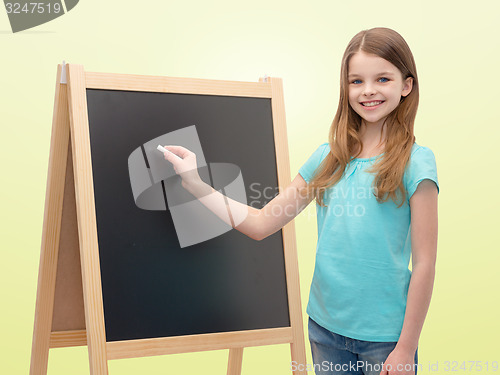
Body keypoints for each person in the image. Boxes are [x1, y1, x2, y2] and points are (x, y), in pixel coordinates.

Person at [161, 27, 439, 375]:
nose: (368, 91)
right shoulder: (328, 158)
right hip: (325, 331)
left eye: (382, 78)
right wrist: (196, 183)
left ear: (406, 85)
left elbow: (425, 264)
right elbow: (262, 223)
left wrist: (406, 348)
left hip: (386, 340)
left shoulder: (417, 162)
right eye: (356, 81)